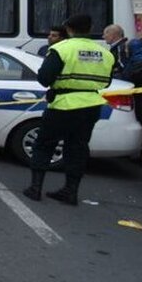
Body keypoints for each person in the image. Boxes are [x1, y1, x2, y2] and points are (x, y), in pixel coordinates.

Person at [24, 14, 115, 205]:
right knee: (77, 149)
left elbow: (44, 78)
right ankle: (70, 191)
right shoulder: (104, 52)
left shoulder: (61, 49)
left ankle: (35, 188)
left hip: (63, 104)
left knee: (44, 145)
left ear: (69, 29)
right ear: (90, 28)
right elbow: (106, 82)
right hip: (91, 105)